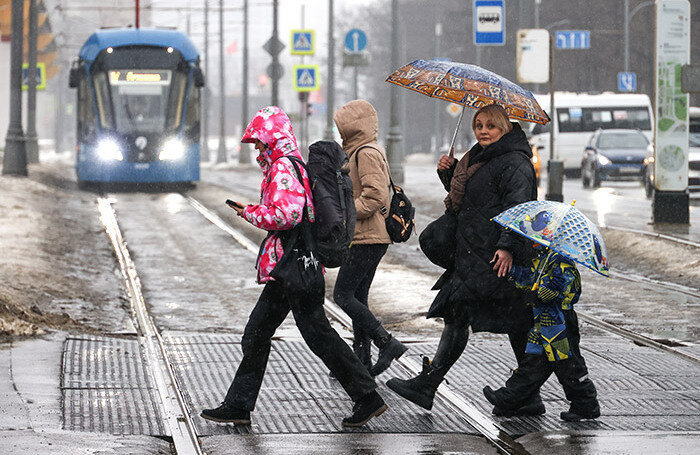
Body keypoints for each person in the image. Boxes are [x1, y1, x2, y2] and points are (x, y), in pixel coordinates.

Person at [200, 106, 387, 428]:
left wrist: (251, 213)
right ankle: (239, 404)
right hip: (296, 266)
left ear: (272, 139)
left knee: (285, 335)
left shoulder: (284, 168)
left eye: (259, 142)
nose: (257, 148)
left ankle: (366, 397)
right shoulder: (288, 164)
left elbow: (286, 216)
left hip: (293, 266)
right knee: (283, 334)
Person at [386, 104, 541, 415]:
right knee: (475, 315)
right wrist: (450, 173)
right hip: (475, 251)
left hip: (495, 255)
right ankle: (526, 395)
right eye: (479, 124)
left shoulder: (514, 163)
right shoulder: (479, 158)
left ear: (505, 129)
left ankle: (540, 394)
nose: (483, 130)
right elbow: (475, 200)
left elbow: (521, 208)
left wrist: (508, 246)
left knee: (510, 321)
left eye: (491, 126)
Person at [331, 99, 408, 376]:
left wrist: (346, 216)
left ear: (354, 127)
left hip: (368, 236)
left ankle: (386, 342)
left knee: (342, 295)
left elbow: (375, 196)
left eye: (343, 127)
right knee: (358, 298)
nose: (339, 133)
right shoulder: (358, 150)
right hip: (366, 237)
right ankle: (360, 361)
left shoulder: (366, 153)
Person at [483, 244, 600, 421]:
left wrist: (539, 294)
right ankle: (508, 399)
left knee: (569, 365)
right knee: (533, 363)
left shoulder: (561, 260)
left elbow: (568, 290)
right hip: (543, 322)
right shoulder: (543, 259)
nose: (533, 243)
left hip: (559, 323)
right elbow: (530, 277)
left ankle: (586, 404)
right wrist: (511, 271)